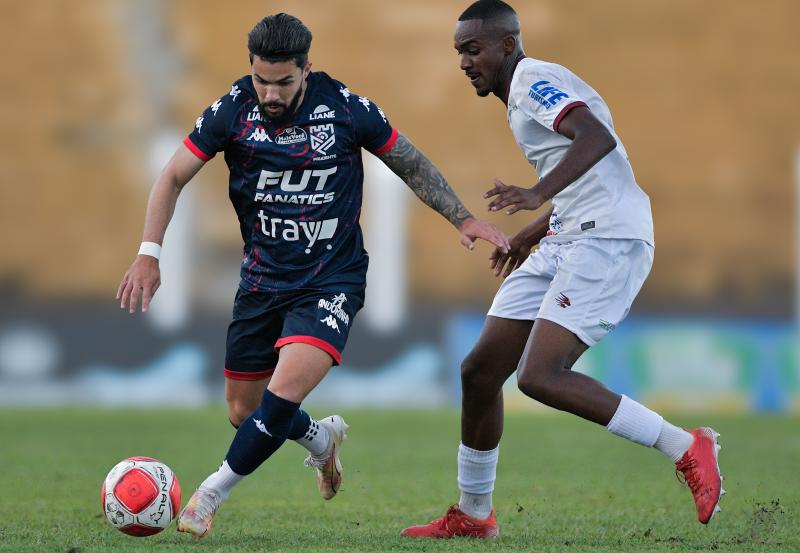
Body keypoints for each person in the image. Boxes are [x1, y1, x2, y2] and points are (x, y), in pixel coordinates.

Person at [116, 13, 509, 540]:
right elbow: (171, 176)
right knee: (244, 410)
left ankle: (211, 492)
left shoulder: (345, 109)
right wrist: (148, 252)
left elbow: (409, 162)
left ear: (306, 69)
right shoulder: (232, 110)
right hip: (261, 281)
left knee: (279, 398)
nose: (271, 94)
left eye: (283, 82)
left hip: (331, 280)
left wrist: (462, 218)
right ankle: (322, 442)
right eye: (261, 81)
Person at [402, 0, 723, 539]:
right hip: (567, 236)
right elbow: (583, 174)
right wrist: (528, 236)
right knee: (480, 372)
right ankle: (474, 515)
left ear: (508, 44)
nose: (464, 62)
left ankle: (687, 446)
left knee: (538, 377)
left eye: (474, 48)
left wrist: (534, 194)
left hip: (608, 241)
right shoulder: (521, 94)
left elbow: (597, 140)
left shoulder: (531, 80)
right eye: (459, 51)